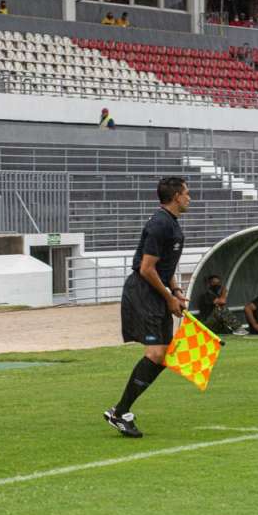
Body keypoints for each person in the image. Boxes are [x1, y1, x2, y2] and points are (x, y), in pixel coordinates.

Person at [104, 177, 190, 438]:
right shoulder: (160, 224)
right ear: (176, 196)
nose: (190, 198)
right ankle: (119, 413)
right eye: (187, 193)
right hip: (144, 293)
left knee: (163, 356)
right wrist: (168, 298)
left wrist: (176, 291)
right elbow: (146, 269)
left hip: (157, 293)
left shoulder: (171, 223)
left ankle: (120, 411)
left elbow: (165, 267)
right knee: (155, 353)